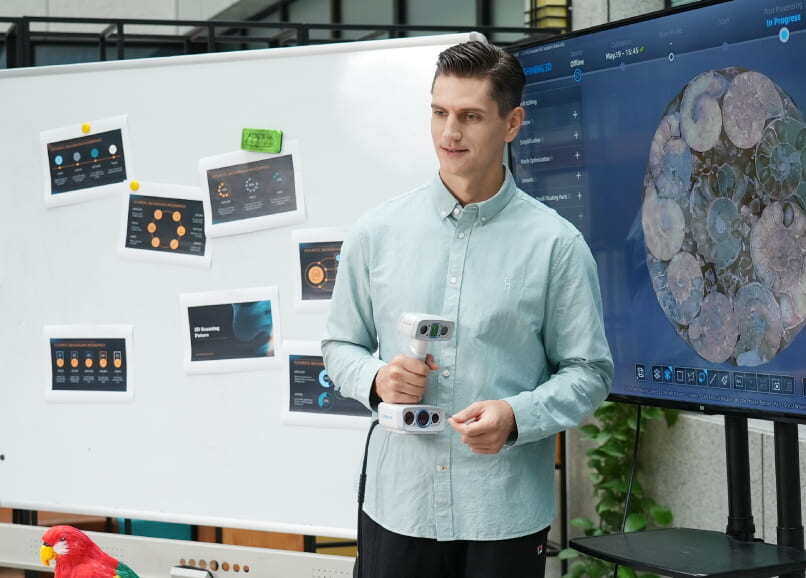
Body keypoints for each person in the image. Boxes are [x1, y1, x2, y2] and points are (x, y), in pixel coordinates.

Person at [322, 40, 613, 578]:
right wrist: (377, 378)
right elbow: (340, 344)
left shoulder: (556, 246)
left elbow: (589, 372)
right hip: (397, 505)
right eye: (439, 113)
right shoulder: (376, 233)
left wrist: (516, 416)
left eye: (470, 116)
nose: (448, 134)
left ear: (512, 123)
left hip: (501, 512)